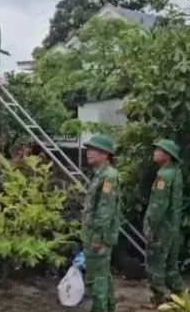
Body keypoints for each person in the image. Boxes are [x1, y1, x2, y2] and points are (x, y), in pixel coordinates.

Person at [82, 134, 122, 312]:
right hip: (94, 234)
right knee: (103, 276)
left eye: (93, 150)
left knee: (97, 279)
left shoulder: (108, 176)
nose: (88, 153)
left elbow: (105, 210)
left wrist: (98, 237)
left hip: (99, 237)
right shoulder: (100, 175)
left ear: (105, 154)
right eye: (88, 149)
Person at [143, 139, 184, 308]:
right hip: (173, 227)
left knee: (156, 264)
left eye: (158, 150)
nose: (154, 153)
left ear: (166, 155)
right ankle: (180, 296)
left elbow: (157, 206)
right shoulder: (176, 173)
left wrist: (149, 226)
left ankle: (159, 299)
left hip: (161, 228)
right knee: (171, 266)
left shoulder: (163, 176)